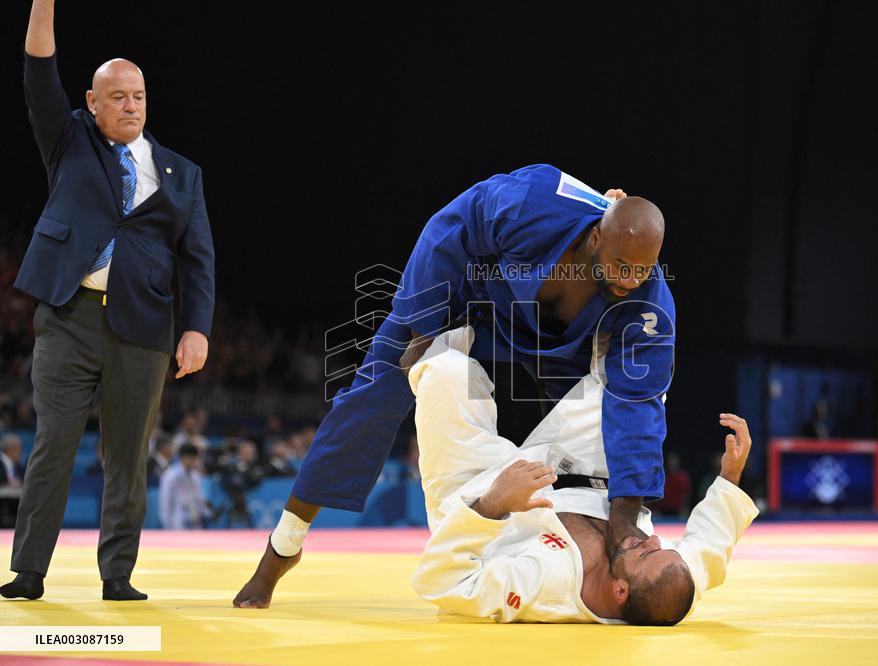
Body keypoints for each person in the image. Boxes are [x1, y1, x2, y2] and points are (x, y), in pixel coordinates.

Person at [235, 165, 673, 609]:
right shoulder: (535, 200)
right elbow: (449, 227)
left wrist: (625, 517)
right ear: (596, 238)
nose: (630, 280)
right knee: (372, 395)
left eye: (642, 270)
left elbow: (638, 403)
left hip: (561, 348)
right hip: (475, 301)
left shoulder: (649, 301)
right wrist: (422, 327)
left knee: (630, 400)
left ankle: (556, 525)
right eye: (621, 266)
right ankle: (283, 547)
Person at [2, 0, 215, 602]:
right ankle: (29, 571)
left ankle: (117, 575)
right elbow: (38, 68)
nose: (130, 105)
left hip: (143, 328)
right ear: (92, 103)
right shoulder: (68, 140)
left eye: (138, 96)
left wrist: (196, 328)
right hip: (68, 318)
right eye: (117, 96)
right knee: (54, 444)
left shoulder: (183, 174)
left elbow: (198, 259)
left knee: (128, 455)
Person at [407, 326, 756, 623]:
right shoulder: (667, 580)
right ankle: (596, 317)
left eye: (647, 552)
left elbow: (442, 582)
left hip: (481, 488)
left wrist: (492, 504)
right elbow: (709, 548)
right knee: (642, 376)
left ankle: (434, 338)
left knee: (446, 371)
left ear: (620, 592)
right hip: (578, 466)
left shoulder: (545, 588)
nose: (654, 541)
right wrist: (730, 476)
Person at [158, 443, 211, 530]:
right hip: (176, 523)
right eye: (192, 458)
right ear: (184, 457)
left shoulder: (195, 476)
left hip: (195, 522)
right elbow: (165, 502)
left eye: (195, 459)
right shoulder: (170, 475)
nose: (194, 462)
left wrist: (208, 513)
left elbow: (199, 499)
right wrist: (166, 526)